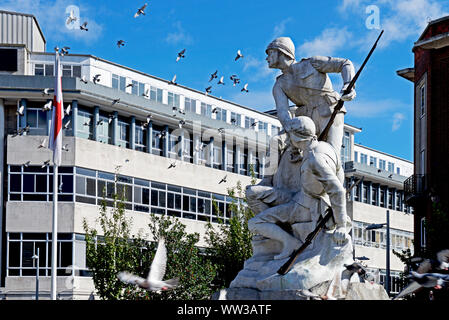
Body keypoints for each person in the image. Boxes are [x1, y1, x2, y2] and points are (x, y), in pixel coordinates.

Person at [248, 116, 349, 260]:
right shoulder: (324, 147)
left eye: (290, 136)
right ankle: (276, 231)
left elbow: (337, 190)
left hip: (304, 208)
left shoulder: (315, 159)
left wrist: (341, 226)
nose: (288, 140)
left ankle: (289, 242)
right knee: (252, 193)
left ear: (297, 138)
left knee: (254, 223)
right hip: (298, 198)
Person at [265, 36, 356, 156]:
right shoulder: (279, 85)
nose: (267, 58)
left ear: (282, 52)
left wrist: (348, 84)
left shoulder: (312, 63)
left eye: (270, 53)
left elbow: (345, 64)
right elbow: (283, 113)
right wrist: (292, 131)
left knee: (331, 155)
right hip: (305, 121)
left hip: (328, 111)